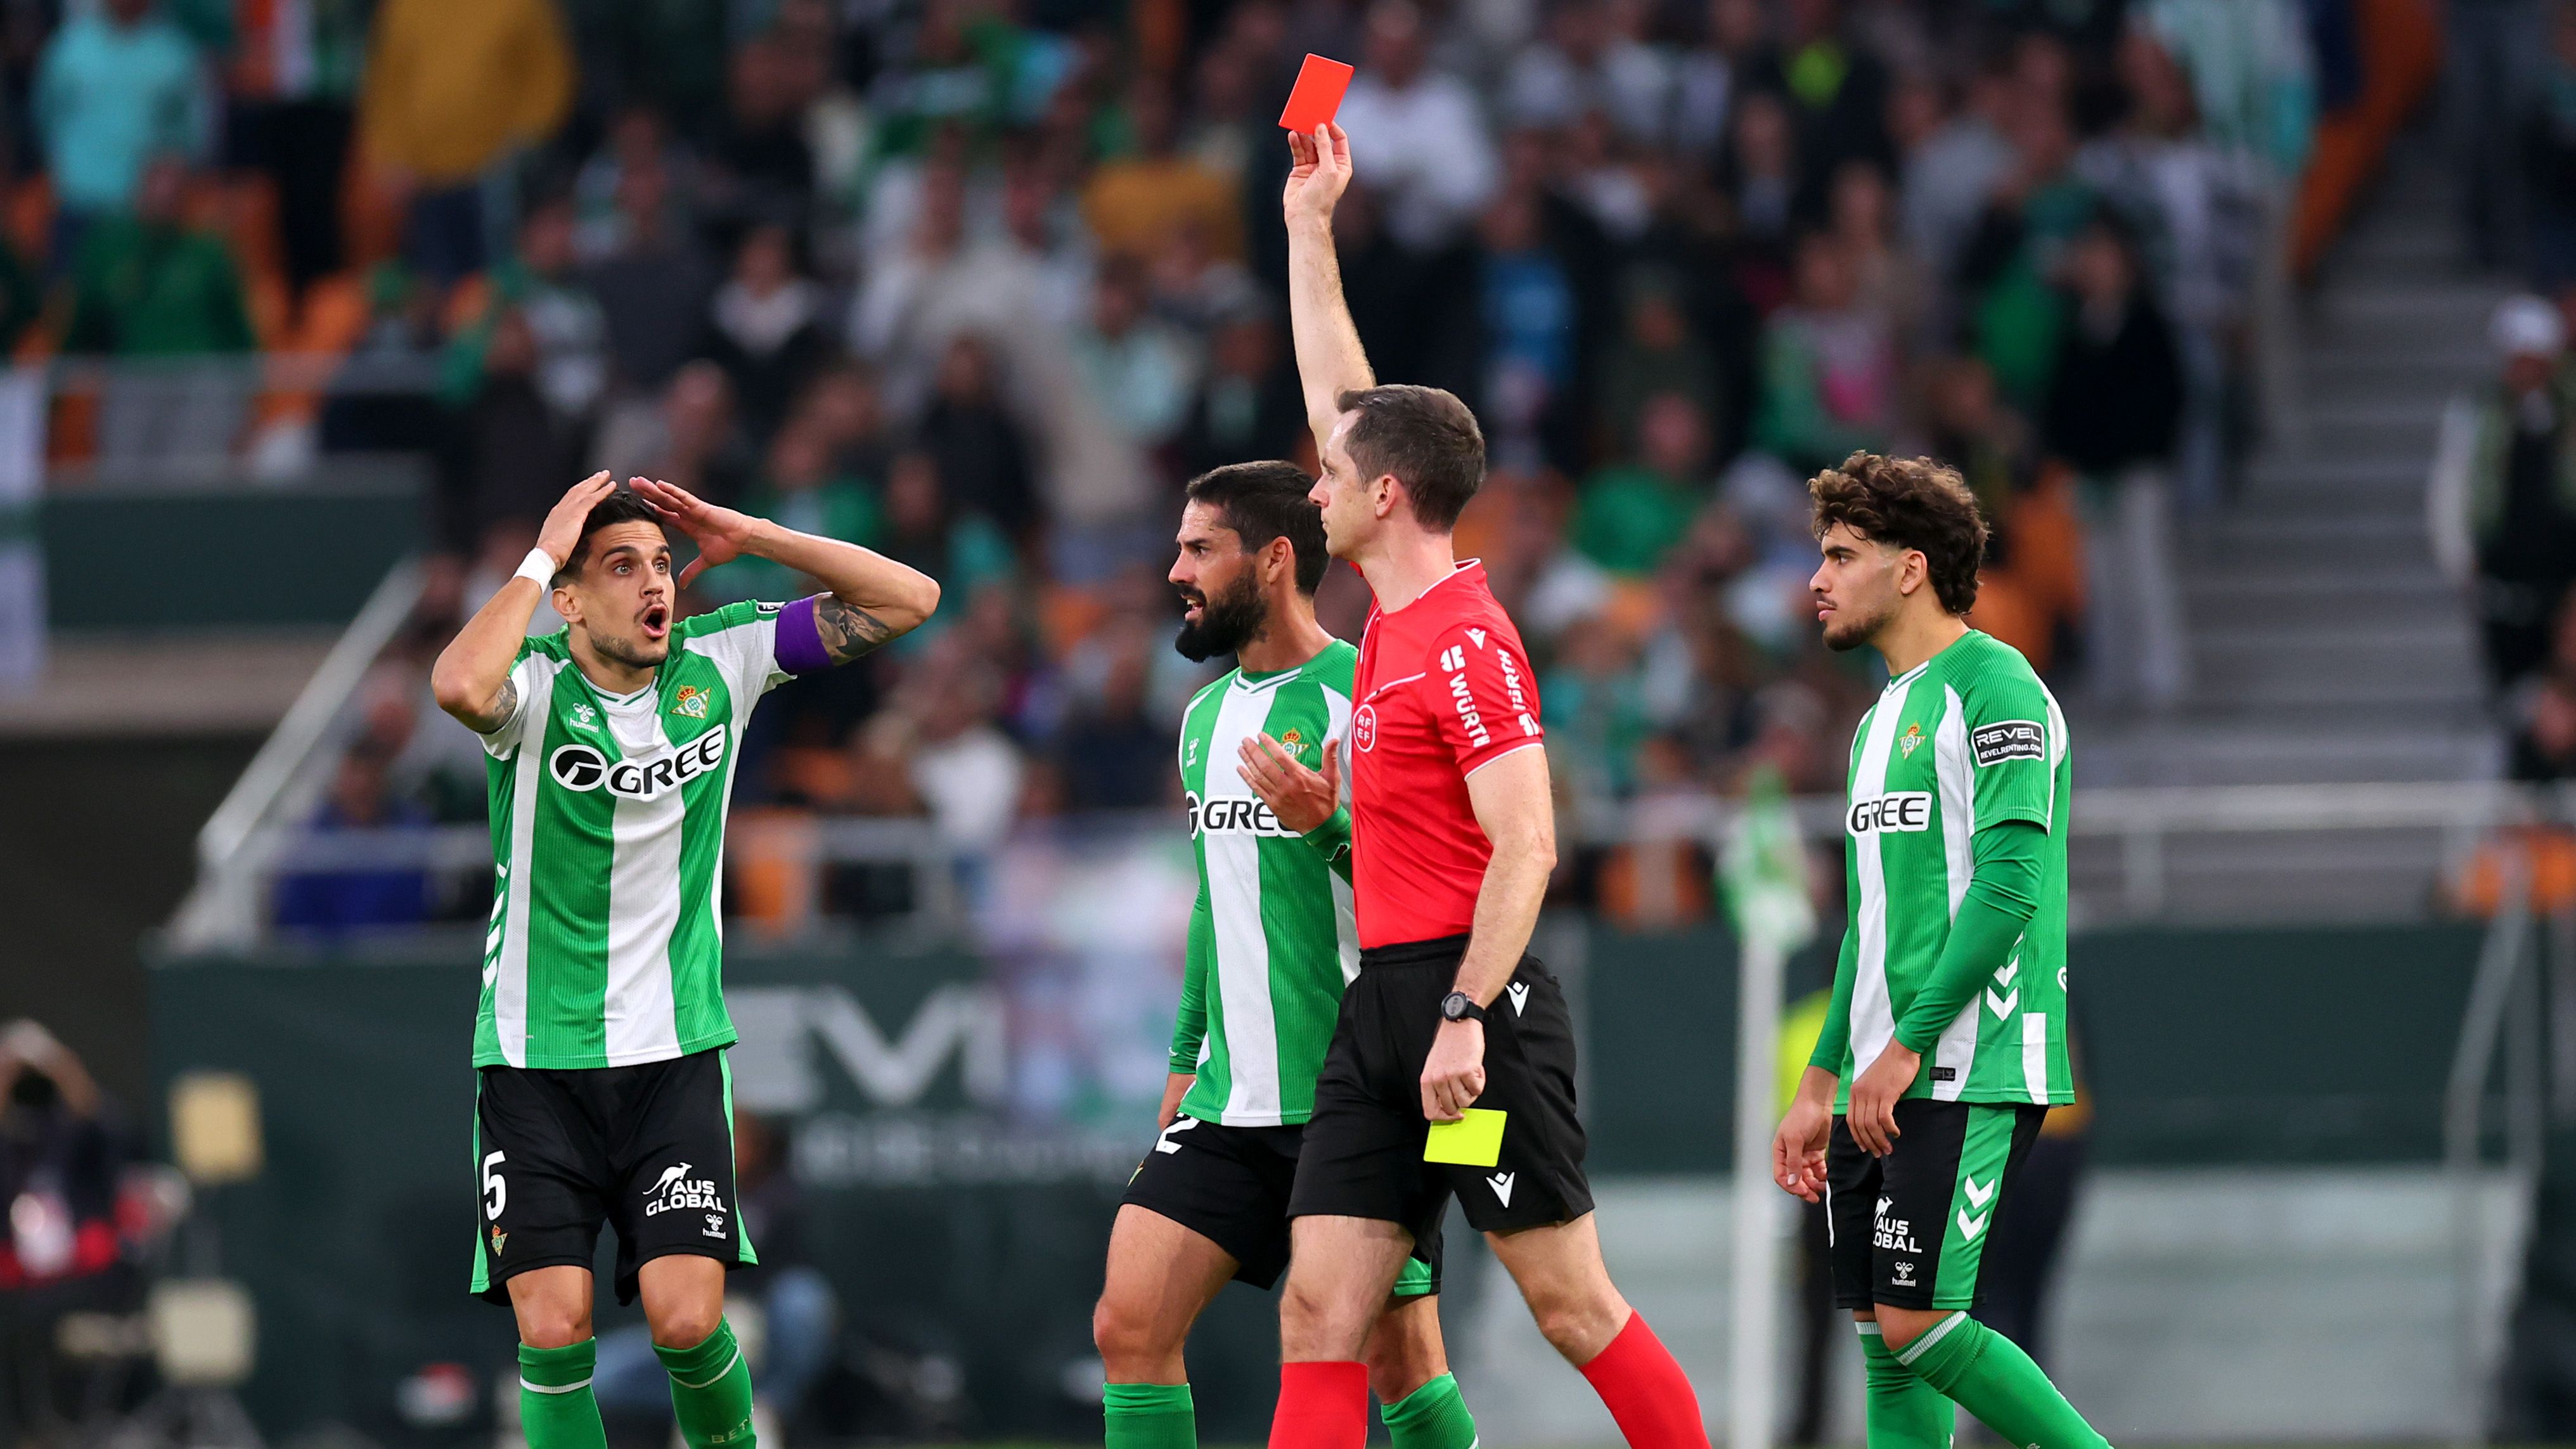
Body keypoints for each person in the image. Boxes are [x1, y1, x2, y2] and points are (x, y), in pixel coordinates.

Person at [1233, 122, 1706, 1449]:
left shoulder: (1467, 636)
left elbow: (1529, 846)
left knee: (1566, 1304)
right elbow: (1341, 394)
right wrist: (1307, 226)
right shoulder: (1390, 612)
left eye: (1332, 477)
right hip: (1382, 1013)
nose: (1309, 485)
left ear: (1385, 497)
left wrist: (1459, 1015)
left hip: (1466, 1020)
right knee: (1319, 1316)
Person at [428, 472, 939, 1449]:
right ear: (571, 599)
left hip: (672, 1057)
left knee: (689, 1321)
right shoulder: (532, 684)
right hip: (533, 1061)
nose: (655, 584)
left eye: (662, 565)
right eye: (622, 568)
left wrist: (753, 533)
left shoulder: (723, 658)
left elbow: (908, 599)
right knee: (554, 1326)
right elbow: (457, 683)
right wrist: (542, 555)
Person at [1094, 461, 1483, 1449]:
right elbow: (1213, 900)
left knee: (1402, 1364)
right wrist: (1186, 1055)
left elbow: (1441, 889)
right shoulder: (1202, 720)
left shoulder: (1366, 691)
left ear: (1272, 561)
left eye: (1198, 548)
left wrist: (1328, 826)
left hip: (1353, 1097)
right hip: (1229, 1100)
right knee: (1128, 1324)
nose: (1174, 570)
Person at [1768, 452, 2108, 1449]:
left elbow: (2009, 890)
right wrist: (1822, 1076)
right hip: (1881, 1076)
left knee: (1920, 1321)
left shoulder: (1999, 687)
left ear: (1910, 567)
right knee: (1884, 1332)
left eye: (1839, 554)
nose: (1816, 580)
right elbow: (1867, 928)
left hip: (1970, 1059)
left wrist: (1907, 1043)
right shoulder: (1875, 723)